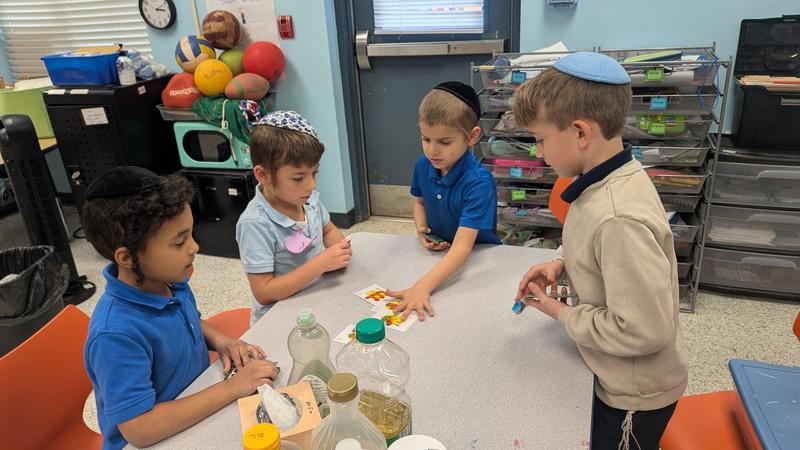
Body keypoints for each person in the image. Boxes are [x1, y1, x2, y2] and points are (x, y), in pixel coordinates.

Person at [512, 52, 688, 449]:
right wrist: (561, 264)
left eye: (540, 139)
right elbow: (594, 249)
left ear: (580, 132)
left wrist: (560, 312)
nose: (539, 152)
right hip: (616, 373)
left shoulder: (617, 217)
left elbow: (643, 330)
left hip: (633, 397)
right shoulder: (606, 178)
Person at [82, 166, 277, 449]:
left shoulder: (168, 281)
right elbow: (140, 428)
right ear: (127, 257)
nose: (194, 247)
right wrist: (233, 387)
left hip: (197, 407)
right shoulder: (115, 335)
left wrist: (222, 341)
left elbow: (187, 319)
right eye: (179, 241)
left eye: (191, 234)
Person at [389, 81, 500, 321]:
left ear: (472, 136)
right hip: (442, 256)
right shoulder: (423, 164)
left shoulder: (478, 182)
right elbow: (420, 204)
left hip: (479, 257)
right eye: (425, 139)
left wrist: (422, 287)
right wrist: (422, 230)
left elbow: (463, 249)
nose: (432, 151)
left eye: (444, 142)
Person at [236, 111, 351, 326]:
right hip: (280, 319)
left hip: (316, 299)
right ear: (263, 175)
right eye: (299, 178)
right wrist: (320, 265)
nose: (311, 185)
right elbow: (264, 291)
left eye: (314, 173)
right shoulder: (255, 224)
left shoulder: (309, 200)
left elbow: (327, 229)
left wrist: (340, 250)